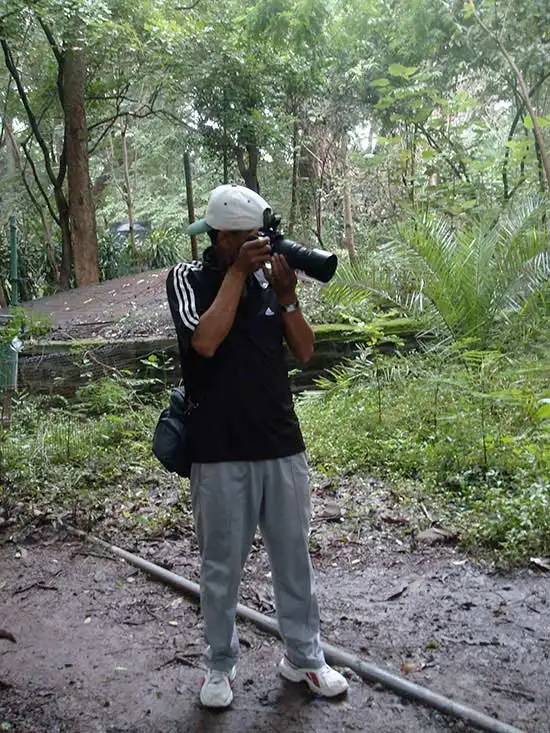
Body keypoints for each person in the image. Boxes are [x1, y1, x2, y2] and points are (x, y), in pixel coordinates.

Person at [166, 183, 348, 708]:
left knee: (294, 556)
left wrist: (286, 295)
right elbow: (204, 341)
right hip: (218, 449)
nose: (260, 247)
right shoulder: (188, 278)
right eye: (248, 241)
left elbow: (307, 350)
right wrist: (238, 276)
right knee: (221, 565)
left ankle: (304, 658)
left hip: (281, 444)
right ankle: (219, 665)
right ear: (223, 238)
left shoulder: (271, 280)